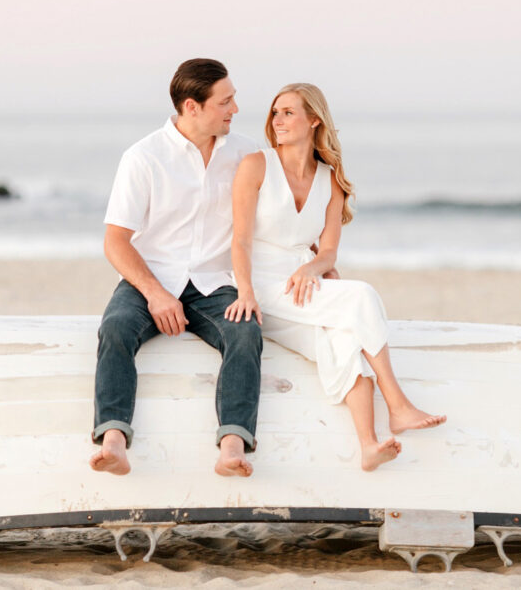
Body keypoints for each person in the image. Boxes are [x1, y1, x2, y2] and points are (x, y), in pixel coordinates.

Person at [225, 83, 446, 472]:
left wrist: (312, 267)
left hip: (301, 285)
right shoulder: (256, 165)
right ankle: (397, 403)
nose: (278, 120)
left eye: (289, 112)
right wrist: (245, 292)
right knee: (360, 295)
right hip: (258, 285)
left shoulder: (331, 180)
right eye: (275, 112)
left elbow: (328, 251)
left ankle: (369, 445)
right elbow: (239, 240)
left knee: (342, 341)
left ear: (314, 120)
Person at [90, 58, 262, 478]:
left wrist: (318, 260)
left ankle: (232, 446)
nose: (235, 109)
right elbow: (116, 241)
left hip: (215, 281)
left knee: (245, 332)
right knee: (115, 327)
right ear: (192, 106)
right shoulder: (143, 157)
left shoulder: (246, 154)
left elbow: (280, 213)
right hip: (151, 277)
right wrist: (155, 293)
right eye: (225, 101)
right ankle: (113, 439)